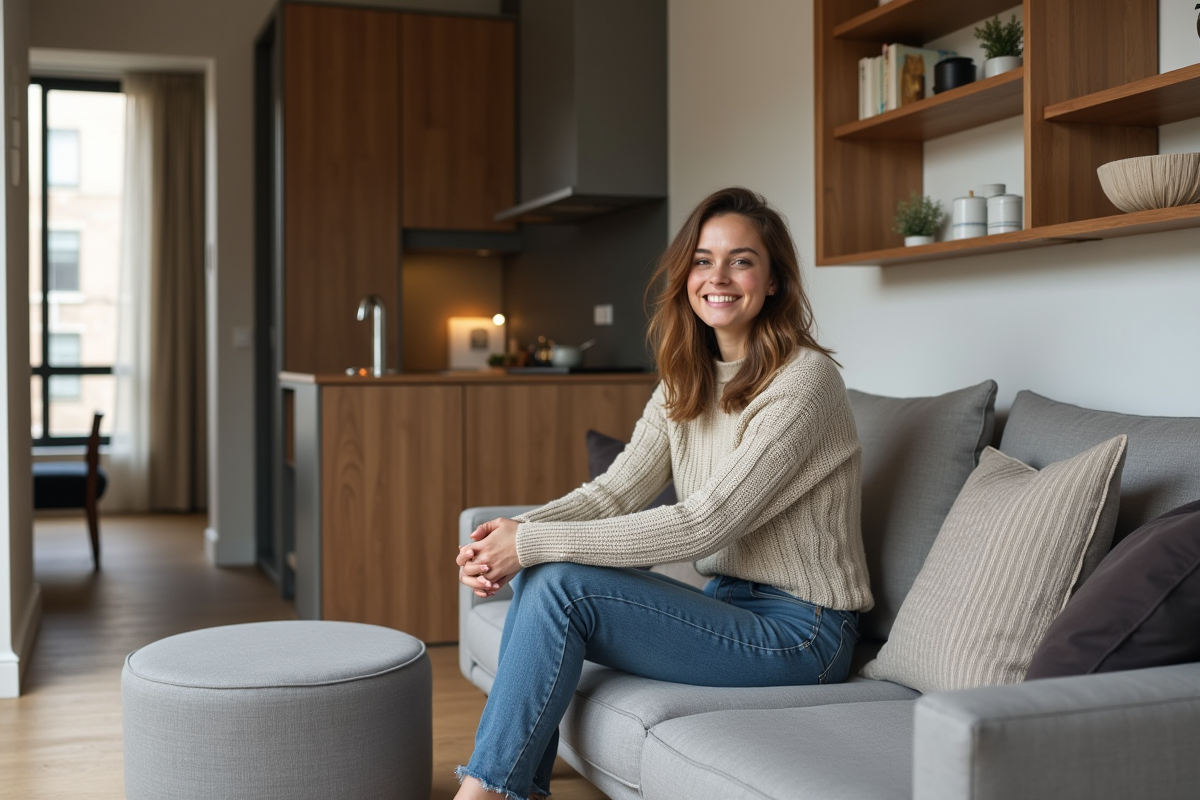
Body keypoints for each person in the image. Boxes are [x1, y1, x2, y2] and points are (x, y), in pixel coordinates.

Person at [454, 187, 873, 800]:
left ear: (775, 279)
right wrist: (508, 535)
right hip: (729, 604)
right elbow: (615, 492)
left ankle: (484, 795)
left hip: (804, 633)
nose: (719, 277)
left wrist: (533, 542)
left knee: (559, 578)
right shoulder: (687, 377)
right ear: (686, 276)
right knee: (550, 576)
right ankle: (495, 791)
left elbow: (708, 522)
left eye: (742, 260)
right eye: (703, 260)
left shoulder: (805, 380)